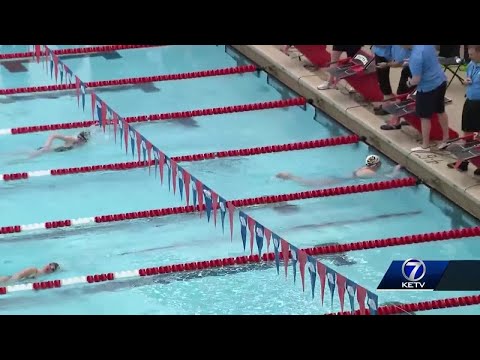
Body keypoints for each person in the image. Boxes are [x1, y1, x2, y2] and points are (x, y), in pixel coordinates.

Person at [402, 45, 450, 152]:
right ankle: (446, 139)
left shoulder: (415, 57)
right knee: (440, 110)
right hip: (441, 81)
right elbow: (428, 59)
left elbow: (416, 80)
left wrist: (408, 83)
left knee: (424, 117)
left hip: (428, 87)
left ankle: (425, 145)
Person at [447, 45, 480, 174]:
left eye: (471, 54)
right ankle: (463, 162)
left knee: (476, 135)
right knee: (466, 132)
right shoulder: (472, 64)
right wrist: (466, 80)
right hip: (470, 101)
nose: (469, 57)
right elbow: (468, 76)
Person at [276, 155, 402, 187]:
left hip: (341, 177)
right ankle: (291, 177)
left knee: (313, 182)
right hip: (341, 179)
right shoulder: (370, 173)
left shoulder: (364, 168)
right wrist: (395, 171)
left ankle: (291, 177)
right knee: (311, 184)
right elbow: (390, 178)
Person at [378, 45, 416, 130]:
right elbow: (401, 62)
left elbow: (400, 62)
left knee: (402, 95)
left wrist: (387, 64)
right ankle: (411, 119)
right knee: (409, 95)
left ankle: (395, 122)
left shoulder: (417, 51)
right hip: (409, 70)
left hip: (416, 73)